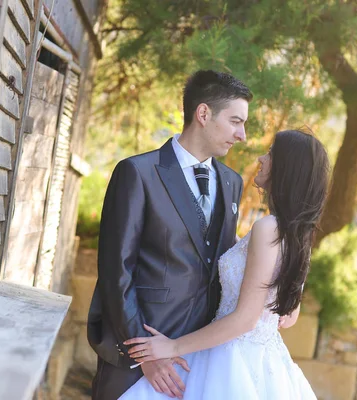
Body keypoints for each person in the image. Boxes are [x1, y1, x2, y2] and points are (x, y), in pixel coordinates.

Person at [121, 129, 330, 399]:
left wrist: (172, 348)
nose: (261, 158)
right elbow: (288, 317)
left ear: (286, 169)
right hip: (266, 358)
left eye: (270, 154)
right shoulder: (298, 235)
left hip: (231, 359)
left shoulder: (268, 228)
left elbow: (244, 320)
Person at [87, 70, 253, 400]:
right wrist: (144, 355)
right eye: (236, 121)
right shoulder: (138, 173)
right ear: (203, 114)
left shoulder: (233, 183)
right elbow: (116, 271)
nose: (242, 135)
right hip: (138, 351)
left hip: (202, 358)